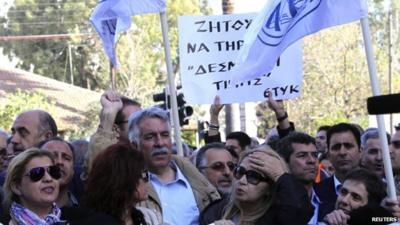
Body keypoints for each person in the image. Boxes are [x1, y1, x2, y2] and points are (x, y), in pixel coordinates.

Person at [128, 107, 220, 225]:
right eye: (150, 137)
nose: (160, 143)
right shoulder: (128, 188)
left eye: (165, 135)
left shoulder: (196, 180)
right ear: (134, 145)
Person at [203, 145, 313, 225]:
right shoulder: (216, 211)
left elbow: (299, 212)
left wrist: (280, 176)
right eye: (240, 171)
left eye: (253, 177)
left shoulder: (279, 218)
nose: (242, 180)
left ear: (269, 189)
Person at [84, 142, 162, 225]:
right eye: (144, 174)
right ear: (124, 179)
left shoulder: (149, 218)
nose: (147, 180)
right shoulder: (93, 221)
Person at [83, 90, 141, 180]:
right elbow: (98, 169)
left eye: (143, 119)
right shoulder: (115, 164)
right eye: (135, 122)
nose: (143, 125)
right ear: (116, 129)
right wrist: (109, 114)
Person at [315, 123, 362, 221]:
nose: (342, 152)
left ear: (360, 151)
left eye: (348, 146)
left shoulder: (381, 189)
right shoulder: (316, 193)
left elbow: (383, 219)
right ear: (328, 154)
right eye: (336, 147)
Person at [2, 148, 63, 224]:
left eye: (53, 171)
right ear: (17, 187)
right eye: (37, 173)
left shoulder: (76, 218)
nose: (48, 178)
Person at [322, 168, 397, 225]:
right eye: (343, 192)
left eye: (356, 197)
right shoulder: (324, 220)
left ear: (372, 206)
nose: (344, 200)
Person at [276, 132, 320, 225]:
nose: (312, 160)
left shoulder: (332, 197)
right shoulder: (275, 203)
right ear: (285, 162)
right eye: (302, 155)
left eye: (315, 155)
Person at [39, 137, 79, 207]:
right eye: (52, 156)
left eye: (66, 158)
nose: (59, 162)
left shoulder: (87, 213)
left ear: (73, 170)